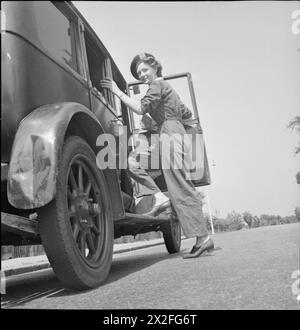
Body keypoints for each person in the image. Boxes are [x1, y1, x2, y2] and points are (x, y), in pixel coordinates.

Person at [100, 52, 214, 258]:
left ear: (155, 67)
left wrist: (117, 92)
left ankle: (202, 238)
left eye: (145, 70)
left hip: (170, 135)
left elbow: (140, 108)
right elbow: (185, 113)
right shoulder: (167, 89)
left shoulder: (157, 86)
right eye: (138, 72)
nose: (142, 74)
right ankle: (160, 198)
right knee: (132, 162)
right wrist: (163, 122)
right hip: (168, 134)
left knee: (180, 185)